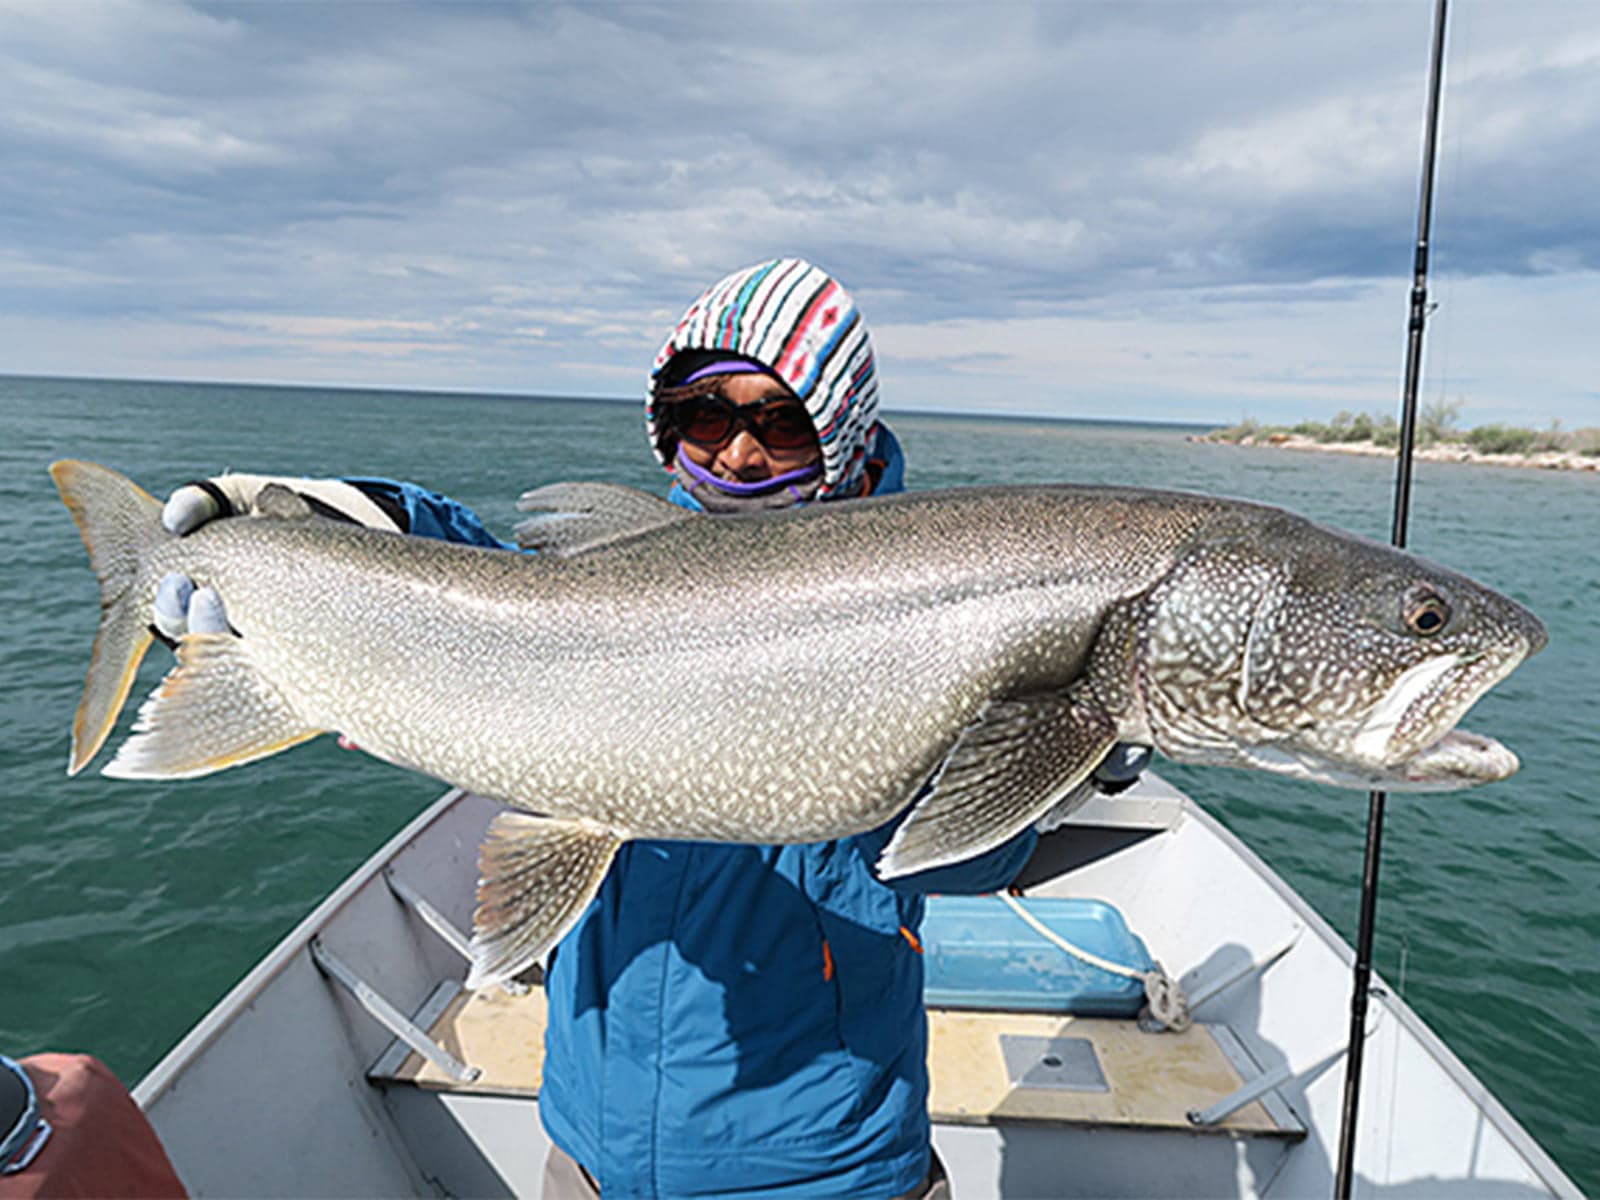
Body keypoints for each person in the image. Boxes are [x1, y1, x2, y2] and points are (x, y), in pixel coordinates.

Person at [156, 259, 1139, 1197]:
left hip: (824, 1168)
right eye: (700, 414)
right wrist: (267, 521)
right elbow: (459, 562)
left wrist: (1068, 742)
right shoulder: (604, 578)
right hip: (588, 1154)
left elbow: (967, 862)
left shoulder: (941, 604)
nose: (736, 449)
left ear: (840, 430)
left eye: (778, 422)